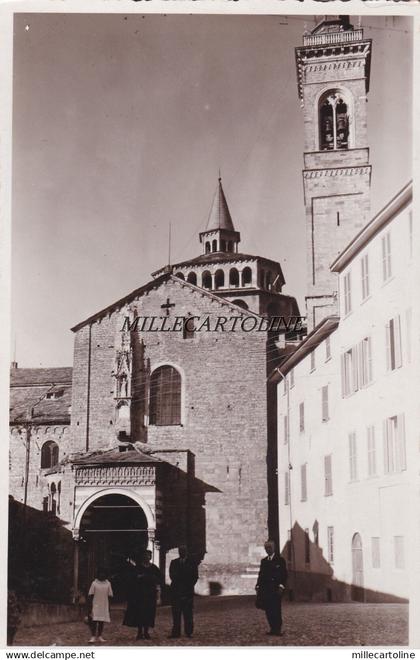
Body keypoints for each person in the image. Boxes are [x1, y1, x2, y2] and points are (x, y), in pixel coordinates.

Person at [123, 549, 163, 640]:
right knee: (140, 613)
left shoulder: (154, 568)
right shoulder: (137, 568)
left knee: (149, 613)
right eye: (145, 555)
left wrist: (154, 582)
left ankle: (146, 631)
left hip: (150, 594)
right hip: (139, 595)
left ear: (150, 557)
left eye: (149, 556)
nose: (147, 557)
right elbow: (131, 579)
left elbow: (159, 579)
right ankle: (140, 632)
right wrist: (139, 577)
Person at [255, 540, 287, 636]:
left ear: (274, 548)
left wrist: (281, 586)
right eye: (266, 548)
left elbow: (284, 575)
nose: (268, 549)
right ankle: (272, 628)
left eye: (270, 548)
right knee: (268, 609)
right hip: (266, 589)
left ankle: (278, 629)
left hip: (276, 589)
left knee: (276, 609)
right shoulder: (264, 561)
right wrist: (257, 585)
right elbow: (261, 575)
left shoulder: (280, 560)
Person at [168, 545, 198, 639]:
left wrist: (187, 586)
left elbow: (194, 577)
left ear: (186, 552)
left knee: (188, 613)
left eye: (183, 550)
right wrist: (181, 582)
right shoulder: (174, 562)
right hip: (176, 592)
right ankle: (176, 633)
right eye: (180, 551)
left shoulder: (192, 563)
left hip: (187, 591)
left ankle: (188, 632)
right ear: (179, 552)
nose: (182, 552)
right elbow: (172, 575)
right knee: (176, 613)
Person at [88, 567, 113, 643]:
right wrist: (90, 607)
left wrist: (109, 607)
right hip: (95, 605)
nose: (102, 575)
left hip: (104, 605)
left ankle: (99, 636)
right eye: (100, 573)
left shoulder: (108, 584)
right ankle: (93, 637)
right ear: (98, 574)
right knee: (94, 621)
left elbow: (110, 596)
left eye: (104, 573)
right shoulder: (94, 583)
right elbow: (90, 595)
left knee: (101, 621)